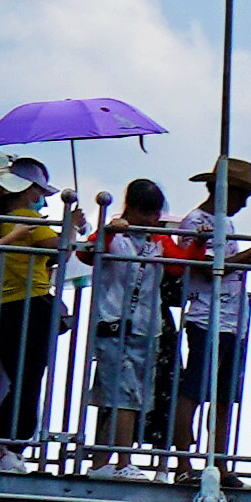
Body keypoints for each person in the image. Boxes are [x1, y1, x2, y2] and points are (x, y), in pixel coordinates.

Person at [165, 155, 251, 467]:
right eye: (241, 195)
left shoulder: (224, 222)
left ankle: (218, 462)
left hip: (231, 319)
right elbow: (205, 266)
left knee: (223, 396)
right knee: (193, 389)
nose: (243, 203)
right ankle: (184, 462)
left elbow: (224, 264)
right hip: (207, 317)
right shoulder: (197, 222)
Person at [78, 173, 176, 463]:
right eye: (144, 212)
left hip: (147, 328)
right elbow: (88, 253)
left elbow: (179, 265)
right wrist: (108, 230)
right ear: (129, 209)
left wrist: (197, 244)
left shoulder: (158, 240)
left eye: (155, 213)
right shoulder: (113, 237)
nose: (150, 219)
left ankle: (100, 463)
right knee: (124, 397)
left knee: (132, 397)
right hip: (113, 324)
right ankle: (122, 462)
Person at [0, 157, 63, 456]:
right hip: (29, 304)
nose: (40, 197)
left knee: (21, 377)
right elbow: (58, 248)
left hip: (8, 305)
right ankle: (8, 444)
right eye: (37, 189)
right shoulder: (24, 217)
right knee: (29, 378)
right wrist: (71, 227)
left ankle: (7, 444)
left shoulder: (7, 218)